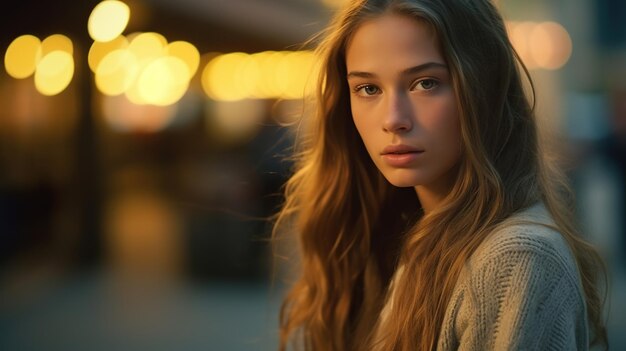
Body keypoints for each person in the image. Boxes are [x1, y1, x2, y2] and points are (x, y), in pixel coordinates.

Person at [272, 0, 608, 349]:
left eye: (425, 83)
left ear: (483, 89)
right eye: (368, 89)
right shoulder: (401, 240)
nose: (393, 119)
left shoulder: (516, 258)